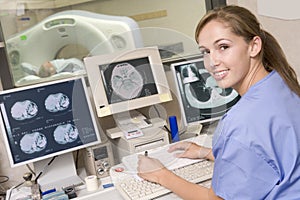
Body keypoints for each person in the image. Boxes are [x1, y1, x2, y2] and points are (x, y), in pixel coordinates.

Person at [137, 5, 300, 200]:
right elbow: (270, 156)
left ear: (254, 46)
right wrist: (207, 152)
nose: (212, 62)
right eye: (205, 51)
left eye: (223, 47)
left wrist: (160, 175)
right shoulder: (282, 84)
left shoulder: (241, 122)